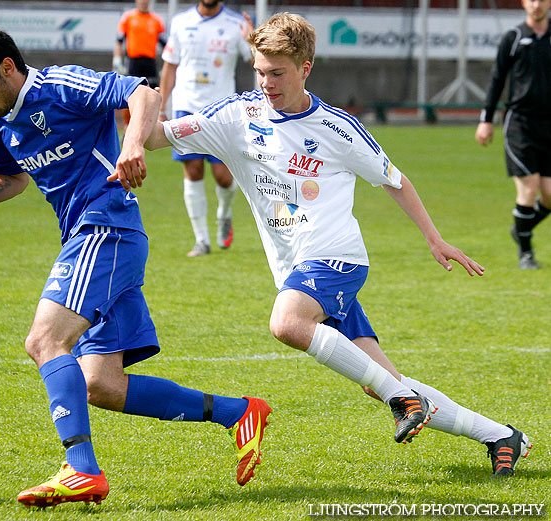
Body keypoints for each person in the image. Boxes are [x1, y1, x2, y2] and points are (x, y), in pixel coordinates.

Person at [113, 13, 532, 476]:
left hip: (337, 258)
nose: (266, 82)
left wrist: (434, 238)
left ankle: (403, 400)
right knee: (382, 381)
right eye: (259, 71)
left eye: (278, 73)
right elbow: (154, 137)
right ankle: (500, 435)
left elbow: (394, 179)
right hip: (296, 269)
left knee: (288, 322)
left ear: (305, 68)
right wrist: (139, 107)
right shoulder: (236, 116)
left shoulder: (338, 128)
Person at [0, 25, 271, 508]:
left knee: (44, 340)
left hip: (107, 227)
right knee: (102, 385)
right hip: (92, 238)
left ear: (7, 67)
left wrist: (133, 144)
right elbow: (10, 178)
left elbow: (144, 93)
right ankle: (240, 414)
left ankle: (80, 470)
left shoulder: (59, 86)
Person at [159, 0, 254, 256]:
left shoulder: (236, 24)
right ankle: (202, 240)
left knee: (224, 176)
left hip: (222, 110)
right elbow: (170, 66)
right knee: (193, 170)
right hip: (185, 105)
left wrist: (252, 39)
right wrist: (162, 106)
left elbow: (257, 60)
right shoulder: (180, 22)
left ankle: (224, 213)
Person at [475, 0, 551, 270]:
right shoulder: (514, 38)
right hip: (520, 123)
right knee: (529, 188)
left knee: (549, 195)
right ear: (523, 3)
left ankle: (521, 226)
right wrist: (486, 120)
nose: (537, 4)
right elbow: (497, 79)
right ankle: (526, 254)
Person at [113, 0, 166, 131]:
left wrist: (165, 65)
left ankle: (150, 128)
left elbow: (165, 45)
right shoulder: (128, 17)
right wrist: (117, 59)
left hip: (150, 62)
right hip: (133, 62)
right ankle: (127, 127)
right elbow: (119, 41)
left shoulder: (157, 20)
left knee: (153, 93)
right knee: (130, 93)